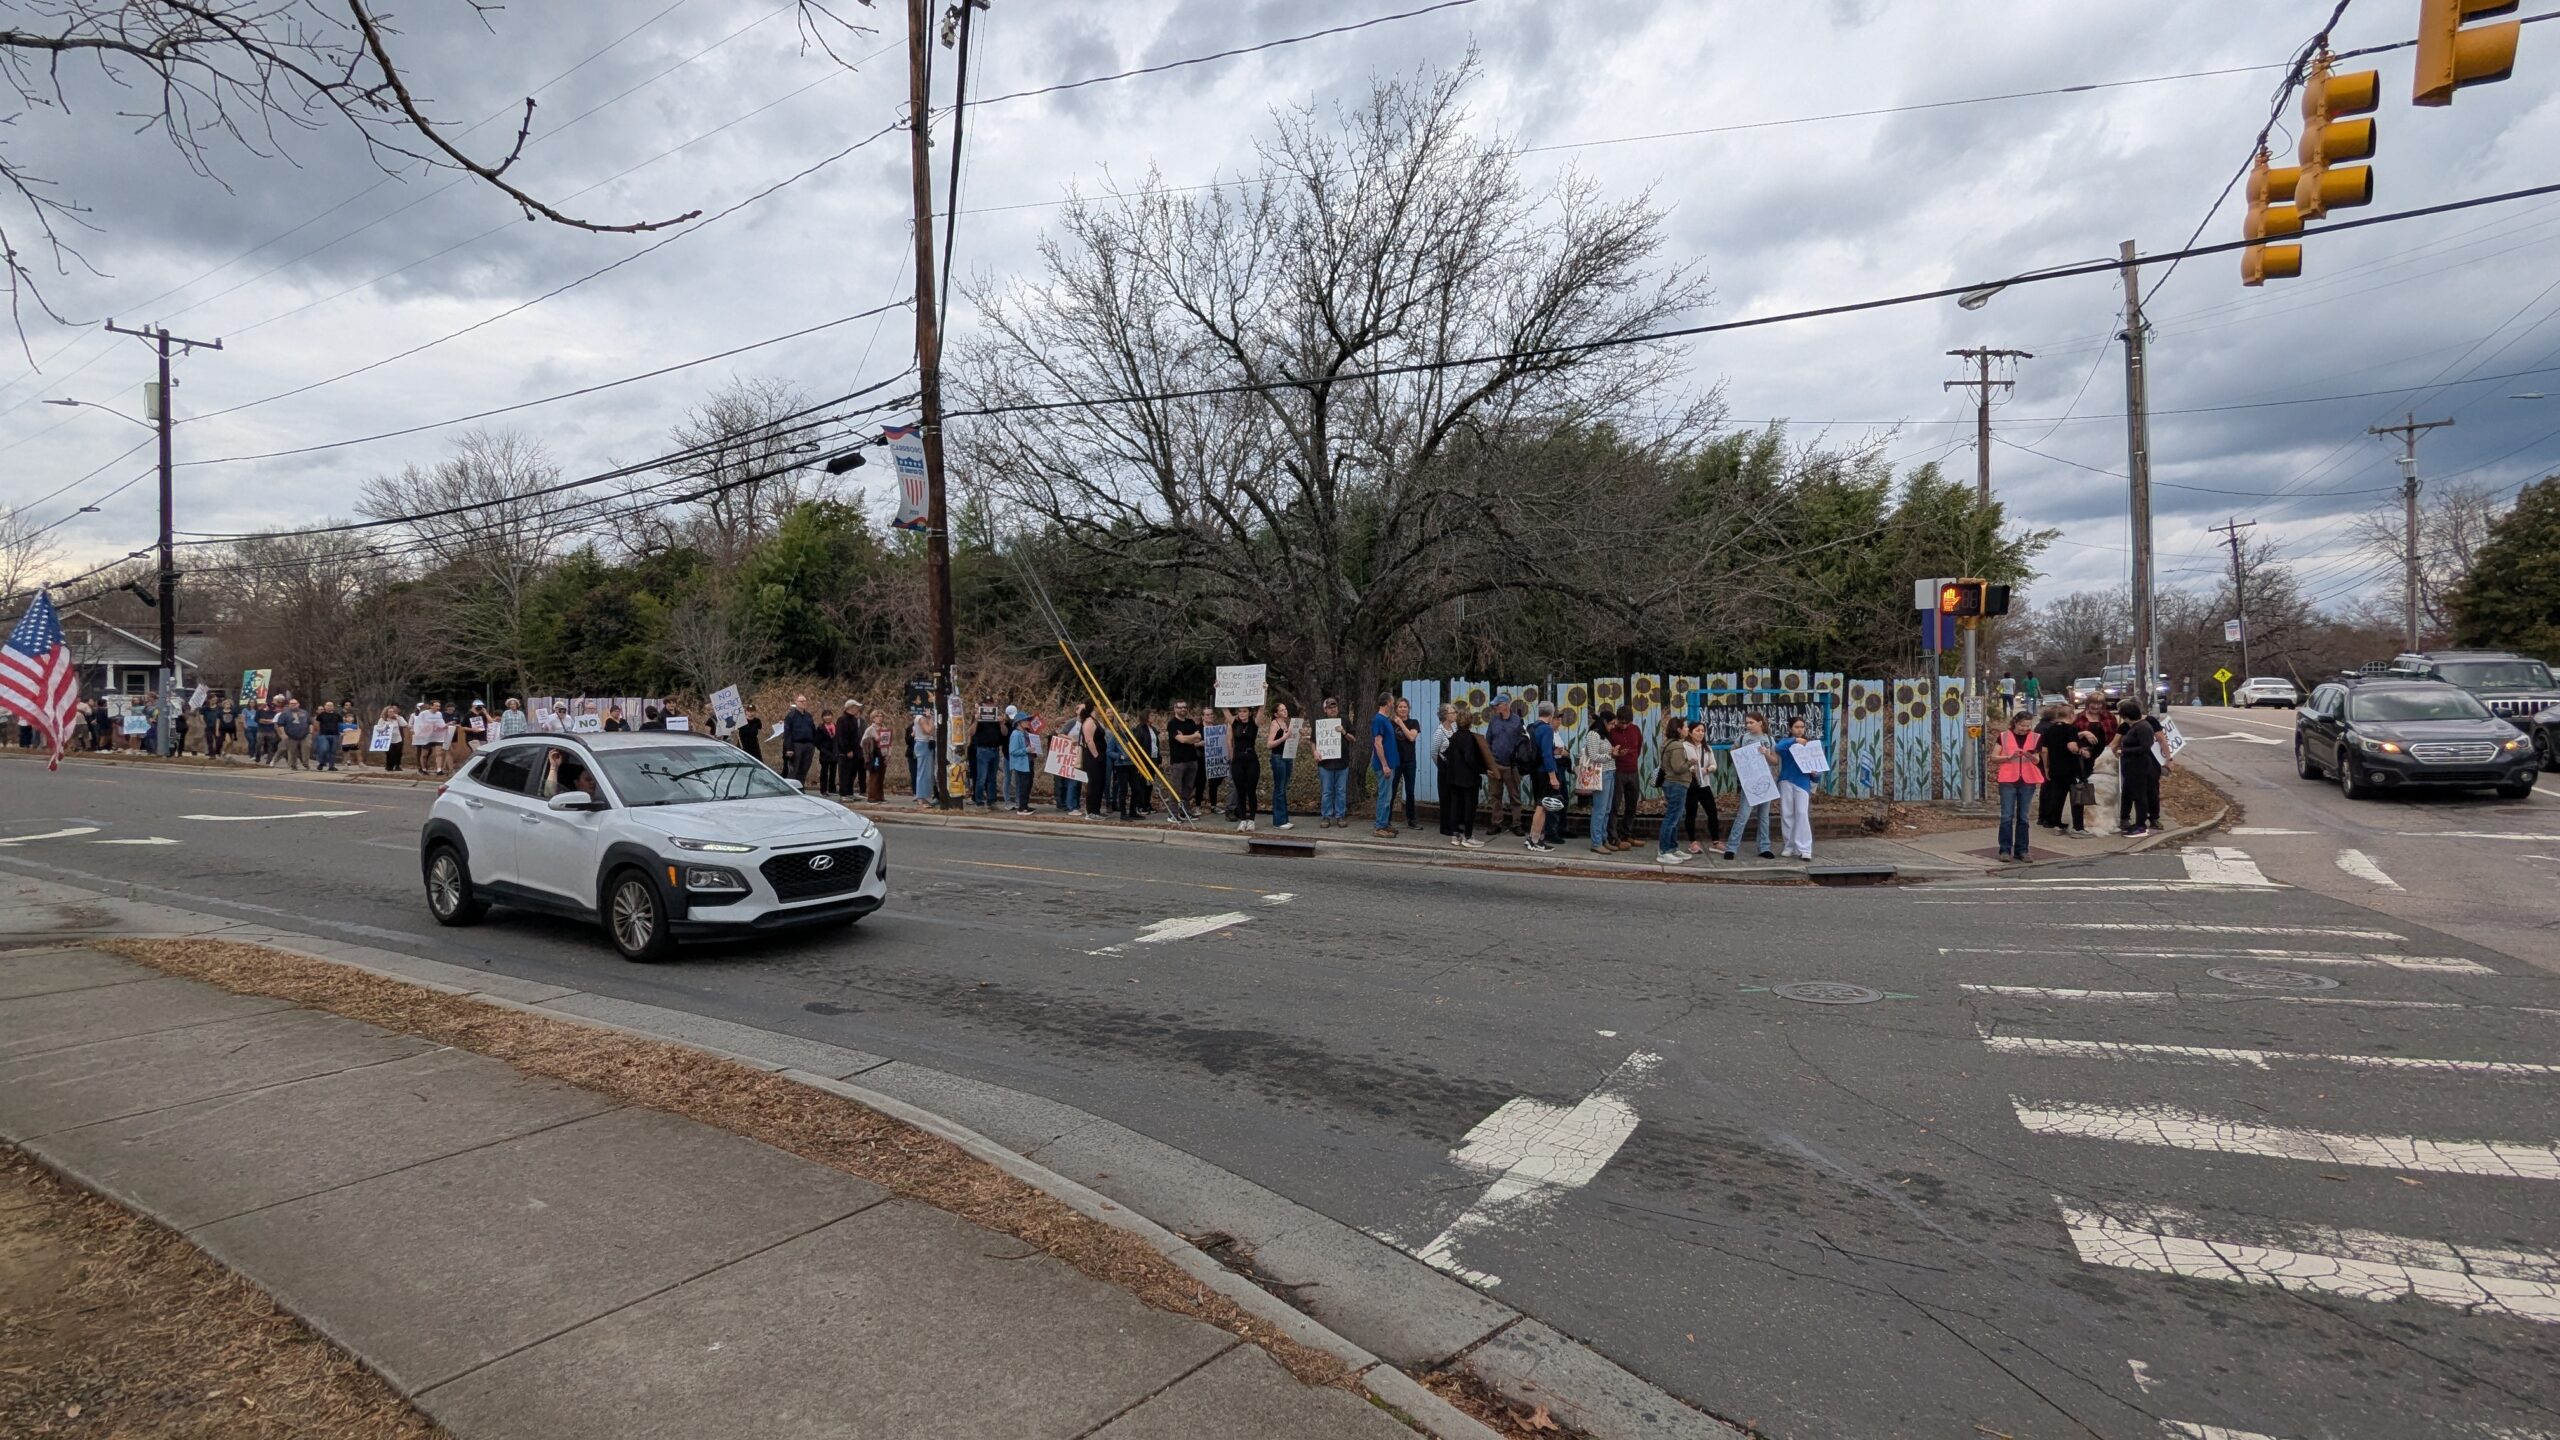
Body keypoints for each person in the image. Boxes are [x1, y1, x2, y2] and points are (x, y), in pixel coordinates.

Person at [1724, 712, 1777, 861]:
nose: (1748, 725)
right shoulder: (1743, 738)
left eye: (1751, 722)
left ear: (1760, 723)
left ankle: (1764, 847)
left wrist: (1766, 753)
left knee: (1764, 816)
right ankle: (1731, 847)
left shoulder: (1769, 739)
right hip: (1749, 782)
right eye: (1747, 723)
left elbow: (1775, 761)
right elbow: (1733, 752)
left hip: (1765, 782)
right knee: (1743, 815)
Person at [1995, 709, 2045, 862]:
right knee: (2007, 816)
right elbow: (1994, 757)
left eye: (2028, 726)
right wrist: (2008, 757)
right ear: (2015, 723)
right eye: (2022, 725)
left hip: (2027, 780)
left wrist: (2031, 756)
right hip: (2008, 779)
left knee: (2023, 817)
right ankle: (2005, 850)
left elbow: (2037, 759)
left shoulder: (2035, 737)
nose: (2025, 729)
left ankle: (2022, 850)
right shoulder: (2004, 736)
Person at [1443, 708, 1491, 848]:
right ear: (1470, 722)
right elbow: (1470, 759)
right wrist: (1483, 770)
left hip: (1453, 777)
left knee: (1455, 806)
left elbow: (1446, 755)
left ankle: (1455, 835)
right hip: (1468, 779)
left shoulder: (1453, 737)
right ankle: (1467, 836)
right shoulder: (1471, 738)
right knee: (1469, 807)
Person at [2115, 699, 2164, 837]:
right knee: (2135, 795)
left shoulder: (2143, 727)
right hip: (2131, 767)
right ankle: (2137, 823)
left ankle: (2141, 826)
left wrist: (2124, 751)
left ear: (2127, 716)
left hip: (2139, 766)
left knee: (2140, 797)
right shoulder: (2135, 726)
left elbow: (2145, 747)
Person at [1655, 712, 1697, 864]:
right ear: (1679, 730)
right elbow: (1678, 768)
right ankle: (1664, 851)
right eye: (1685, 727)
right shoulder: (1677, 746)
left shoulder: (1668, 743)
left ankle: (1672, 848)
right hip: (1677, 784)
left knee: (1676, 817)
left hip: (1672, 784)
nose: (1687, 729)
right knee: (1672, 818)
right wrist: (1691, 762)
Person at [1775, 715, 1817, 861]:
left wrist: (1815, 774)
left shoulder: (1810, 745)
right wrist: (1794, 740)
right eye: (1796, 727)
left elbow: (1818, 767)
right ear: (1790, 728)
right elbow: (1778, 747)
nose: (1800, 730)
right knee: (1787, 813)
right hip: (1786, 780)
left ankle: (1805, 848)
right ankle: (1789, 845)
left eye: (1802, 727)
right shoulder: (1786, 743)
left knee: (1801, 813)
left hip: (1802, 782)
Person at [2033, 701, 2078, 834]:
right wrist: (2079, 750)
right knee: (2076, 796)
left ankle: (2055, 823)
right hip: (2069, 768)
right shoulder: (2071, 729)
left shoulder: (2050, 729)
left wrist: (2047, 767)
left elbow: (2044, 750)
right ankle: (2078, 825)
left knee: (2057, 796)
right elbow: (2071, 746)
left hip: (2054, 767)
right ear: (2071, 716)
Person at [1524, 701, 1563, 853]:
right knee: (1542, 807)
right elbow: (1546, 754)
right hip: (1544, 772)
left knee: (1539, 805)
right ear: (1551, 714)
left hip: (1534, 771)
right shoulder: (1547, 729)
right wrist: (1552, 776)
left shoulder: (1532, 727)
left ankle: (1536, 837)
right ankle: (1535, 840)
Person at [1482, 697, 1524, 837]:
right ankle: (1496, 823)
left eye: (1497, 705)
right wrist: (1489, 762)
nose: (1495, 708)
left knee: (1515, 796)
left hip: (1511, 766)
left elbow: (1522, 742)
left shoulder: (1517, 721)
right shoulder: (1493, 721)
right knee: (1495, 796)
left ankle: (1516, 824)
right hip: (1495, 764)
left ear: (1506, 705)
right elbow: (1488, 741)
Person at [1678, 718, 1721, 855]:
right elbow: (1681, 765)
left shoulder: (1707, 748)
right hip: (1691, 784)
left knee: (1712, 811)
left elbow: (1714, 765)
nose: (1701, 733)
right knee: (1691, 812)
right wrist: (1691, 769)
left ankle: (1716, 841)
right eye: (1697, 730)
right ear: (1690, 732)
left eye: (1703, 731)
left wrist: (1707, 770)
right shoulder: (1684, 747)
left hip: (1705, 784)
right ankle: (1692, 842)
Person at [1575, 718, 1616, 854]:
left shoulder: (1605, 736)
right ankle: (1596, 842)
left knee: (1607, 809)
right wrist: (1610, 755)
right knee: (1600, 809)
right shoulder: (1593, 734)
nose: (1613, 726)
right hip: (1601, 773)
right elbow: (1593, 756)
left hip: (1610, 771)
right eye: (1611, 723)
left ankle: (1603, 839)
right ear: (1604, 722)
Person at [1607, 705, 1643, 851]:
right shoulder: (1612, 732)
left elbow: (1639, 748)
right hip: (1618, 771)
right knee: (1614, 805)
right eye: (1621, 722)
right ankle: (1613, 836)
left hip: (1633, 771)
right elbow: (1608, 751)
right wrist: (1618, 755)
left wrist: (1631, 758)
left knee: (1632, 804)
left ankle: (1626, 834)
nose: (1623, 725)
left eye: (1626, 723)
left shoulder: (1635, 730)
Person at [1315, 697, 1350, 827]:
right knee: (1326, 792)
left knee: (1341, 791)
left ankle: (1340, 816)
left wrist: (1344, 732)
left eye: (1334, 707)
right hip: (1325, 764)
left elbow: (1353, 738)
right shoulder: (1320, 723)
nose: (1333, 709)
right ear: (1325, 710)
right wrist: (1315, 752)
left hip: (1342, 763)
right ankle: (1326, 816)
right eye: (1330, 707)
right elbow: (1313, 741)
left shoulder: (1345, 721)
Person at [1369, 694, 1400, 837]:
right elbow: (1378, 743)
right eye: (1392, 702)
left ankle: (1385, 823)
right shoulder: (1379, 720)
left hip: (1390, 764)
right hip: (1384, 766)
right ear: (1387, 702)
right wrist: (1384, 765)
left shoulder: (1386, 719)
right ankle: (1379, 826)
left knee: (1388, 796)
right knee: (1384, 796)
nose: (1393, 704)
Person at [1227, 704, 1261, 832]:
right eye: (1240, 711)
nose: (1242, 713)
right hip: (1237, 761)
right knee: (1240, 791)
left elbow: (1262, 709)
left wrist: (1263, 694)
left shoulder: (1254, 724)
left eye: (1245, 711)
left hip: (1251, 760)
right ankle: (1242, 819)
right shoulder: (1234, 723)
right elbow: (1224, 709)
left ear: (1249, 713)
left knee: (1251, 790)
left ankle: (1251, 820)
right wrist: (1219, 693)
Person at [1166, 700, 1203, 817]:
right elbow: (1181, 740)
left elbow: (1198, 738)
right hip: (1178, 761)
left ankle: (1185, 811)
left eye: (1185, 707)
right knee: (1175, 788)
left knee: (1188, 788)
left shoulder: (1191, 722)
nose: (1183, 709)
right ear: (1175, 709)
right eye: (1180, 707)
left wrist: (1186, 737)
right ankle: (1173, 814)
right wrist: (1191, 737)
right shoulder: (1172, 724)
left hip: (1192, 760)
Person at [1390, 698, 1421, 827]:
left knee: (1410, 791)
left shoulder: (1413, 722)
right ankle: (1387, 819)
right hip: (1395, 761)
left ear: (1408, 709)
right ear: (1396, 709)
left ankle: (1411, 819)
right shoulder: (1391, 723)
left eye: (1405, 707)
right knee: (1392, 790)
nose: (1403, 709)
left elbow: (1411, 737)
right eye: (1400, 707)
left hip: (1409, 761)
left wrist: (1401, 724)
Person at [1265, 702, 1296, 830]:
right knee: (1279, 789)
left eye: (1285, 709)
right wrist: (1284, 738)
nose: (1285, 711)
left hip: (1288, 757)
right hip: (1278, 758)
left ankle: (1284, 819)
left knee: (1284, 787)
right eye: (1282, 710)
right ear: (1276, 713)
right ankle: (1278, 821)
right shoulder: (1275, 724)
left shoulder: (1286, 723)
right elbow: (1269, 744)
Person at [970, 697, 1005, 808]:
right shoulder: (979, 717)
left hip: (995, 750)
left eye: (991, 703)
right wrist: (976, 720)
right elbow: (970, 732)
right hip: (983, 750)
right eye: (987, 703)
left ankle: (991, 800)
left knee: (992, 778)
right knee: (981, 777)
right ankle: (979, 801)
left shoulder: (997, 717)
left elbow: (1005, 733)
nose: (989, 705)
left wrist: (1002, 723)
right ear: (983, 705)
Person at [1434, 701, 1461, 840]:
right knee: (1445, 797)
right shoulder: (1439, 732)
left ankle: (1454, 824)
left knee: (1454, 796)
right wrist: (1441, 765)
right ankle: (1445, 827)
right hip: (1444, 767)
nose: (1455, 714)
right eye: (1453, 712)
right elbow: (1434, 752)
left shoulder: (1454, 728)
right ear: (1445, 715)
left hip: (1454, 767)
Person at [781, 696, 819, 784]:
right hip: (796, 745)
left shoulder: (808, 716)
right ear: (796, 702)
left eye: (805, 701)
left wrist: (814, 742)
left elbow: (813, 729)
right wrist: (789, 748)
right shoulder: (791, 716)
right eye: (801, 701)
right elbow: (787, 733)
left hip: (809, 745)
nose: (804, 703)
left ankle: (800, 787)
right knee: (794, 768)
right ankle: (791, 788)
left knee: (804, 768)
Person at [1007, 709, 1035, 812]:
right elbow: (1013, 751)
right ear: (1019, 722)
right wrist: (1026, 750)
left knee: (1028, 784)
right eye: (1025, 720)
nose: (1028, 722)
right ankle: (1022, 807)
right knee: (1024, 785)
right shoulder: (1016, 734)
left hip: (1028, 762)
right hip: (1022, 764)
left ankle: (1025, 805)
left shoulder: (1025, 733)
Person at [910, 709, 938, 804]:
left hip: (925, 744)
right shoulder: (921, 718)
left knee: (927, 773)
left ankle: (925, 796)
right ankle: (921, 797)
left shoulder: (921, 718)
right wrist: (931, 719)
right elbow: (928, 731)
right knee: (922, 772)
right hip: (923, 744)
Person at [377, 705, 407, 773]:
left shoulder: (396, 719)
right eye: (390, 711)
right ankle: (389, 767)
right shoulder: (382, 719)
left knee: (397, 753)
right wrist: (385, 727)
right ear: (386, 712)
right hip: (387, 739)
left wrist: (399, 718)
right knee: (390, 754)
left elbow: (404, 724)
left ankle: (396, 765)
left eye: (393, 711)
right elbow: (378, 729)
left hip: (397, 739)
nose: (392, 713)